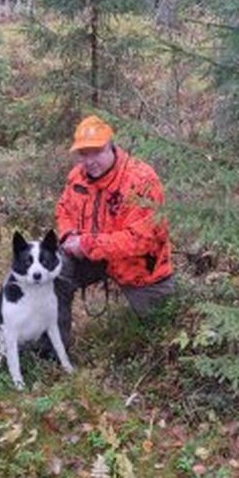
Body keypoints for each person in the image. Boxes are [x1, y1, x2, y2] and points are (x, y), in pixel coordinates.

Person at [54, 115, 174, 344]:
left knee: (162, 329)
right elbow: (63, 209)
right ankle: (52, 350)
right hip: (89, 255)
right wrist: (69, 235)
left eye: (97, 152)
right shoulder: (77, 177)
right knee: (54, 274)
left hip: (138, 266)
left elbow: (142, 240)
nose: (90, 161)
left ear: (112, 146)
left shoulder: (141, 180)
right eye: (83, 154)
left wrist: (88, 245)